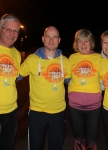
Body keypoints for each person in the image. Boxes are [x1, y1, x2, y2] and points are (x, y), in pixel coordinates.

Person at [18, 26, 71, 150]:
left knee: (56, 146)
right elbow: (16, 76)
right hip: (37, 113)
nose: (51, 40)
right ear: (43, 39)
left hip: (58, 113)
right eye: (48, 36)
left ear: (59, 40)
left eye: (55, 37)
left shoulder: (66, 61)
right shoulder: (32, 60)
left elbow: (73, 83)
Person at [68, 29, 102, 150]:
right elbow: (66, 76)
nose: (83, 44)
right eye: (80, 41)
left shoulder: (99, 58)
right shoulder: (72, 58)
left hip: (94, 106)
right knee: (78, 138)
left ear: (91, 42)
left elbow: (107, 75)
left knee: (91, 140)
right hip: (74, 105)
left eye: (86, 41)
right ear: (76, 44)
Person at [0, 14, 21, 150]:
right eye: (8, 29)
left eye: (16, 31)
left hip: (12, 111)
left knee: (8, 146)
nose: (12, 34)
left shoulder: (16, 54)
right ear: (1, 29)